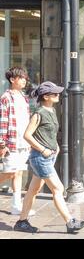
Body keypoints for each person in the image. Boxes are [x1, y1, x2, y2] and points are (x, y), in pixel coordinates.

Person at [13, 81, 84, 233]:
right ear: (46, 96)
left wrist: (55, 146)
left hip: (48, 157)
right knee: (58, 188)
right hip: (40, 157)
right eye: (54, 93)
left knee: (33, 190)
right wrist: (43, 149)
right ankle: (70, 222)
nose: (57, 95)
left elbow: (48, 134)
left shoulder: (51, 111)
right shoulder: (39, 114)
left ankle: (21, 222)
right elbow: (27, 135)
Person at [0, 67, 36, 216]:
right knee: (10, 172)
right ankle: (16, 205)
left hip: (23, 141)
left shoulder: (23, 96)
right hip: (11, 142)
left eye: (24, 78)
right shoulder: (6, 97)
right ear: (12, 80)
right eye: (21, 78)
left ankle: (16, 206)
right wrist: (2, 143)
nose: (24, 80)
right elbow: (3, 120)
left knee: (18, 173)